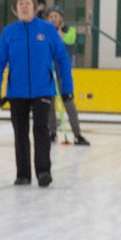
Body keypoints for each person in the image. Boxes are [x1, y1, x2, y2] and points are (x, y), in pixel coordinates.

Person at [0, 0, 74, 187]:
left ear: (35, 8)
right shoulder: (9, 32)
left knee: (41, 131)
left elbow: (62, 59)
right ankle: (23, 174)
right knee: (20, 133)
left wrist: (67, 88)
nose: (24, 6)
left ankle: (43, 171)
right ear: (15, 9)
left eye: (28, 3)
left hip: (43, 90)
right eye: (20, 4)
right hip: (16, 92)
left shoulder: (48, 30)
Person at [45, 8, 89, 146]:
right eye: (50, 16)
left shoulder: (70, 31)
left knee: (68, 102)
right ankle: (52, 133)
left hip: (64, 72)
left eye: (56, 16)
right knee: (50, 103)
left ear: (61, 18)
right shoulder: (45, 32)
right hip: (49, 71)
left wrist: (58, 35)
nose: (53, 18)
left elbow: (69, 41)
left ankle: (77, 134)